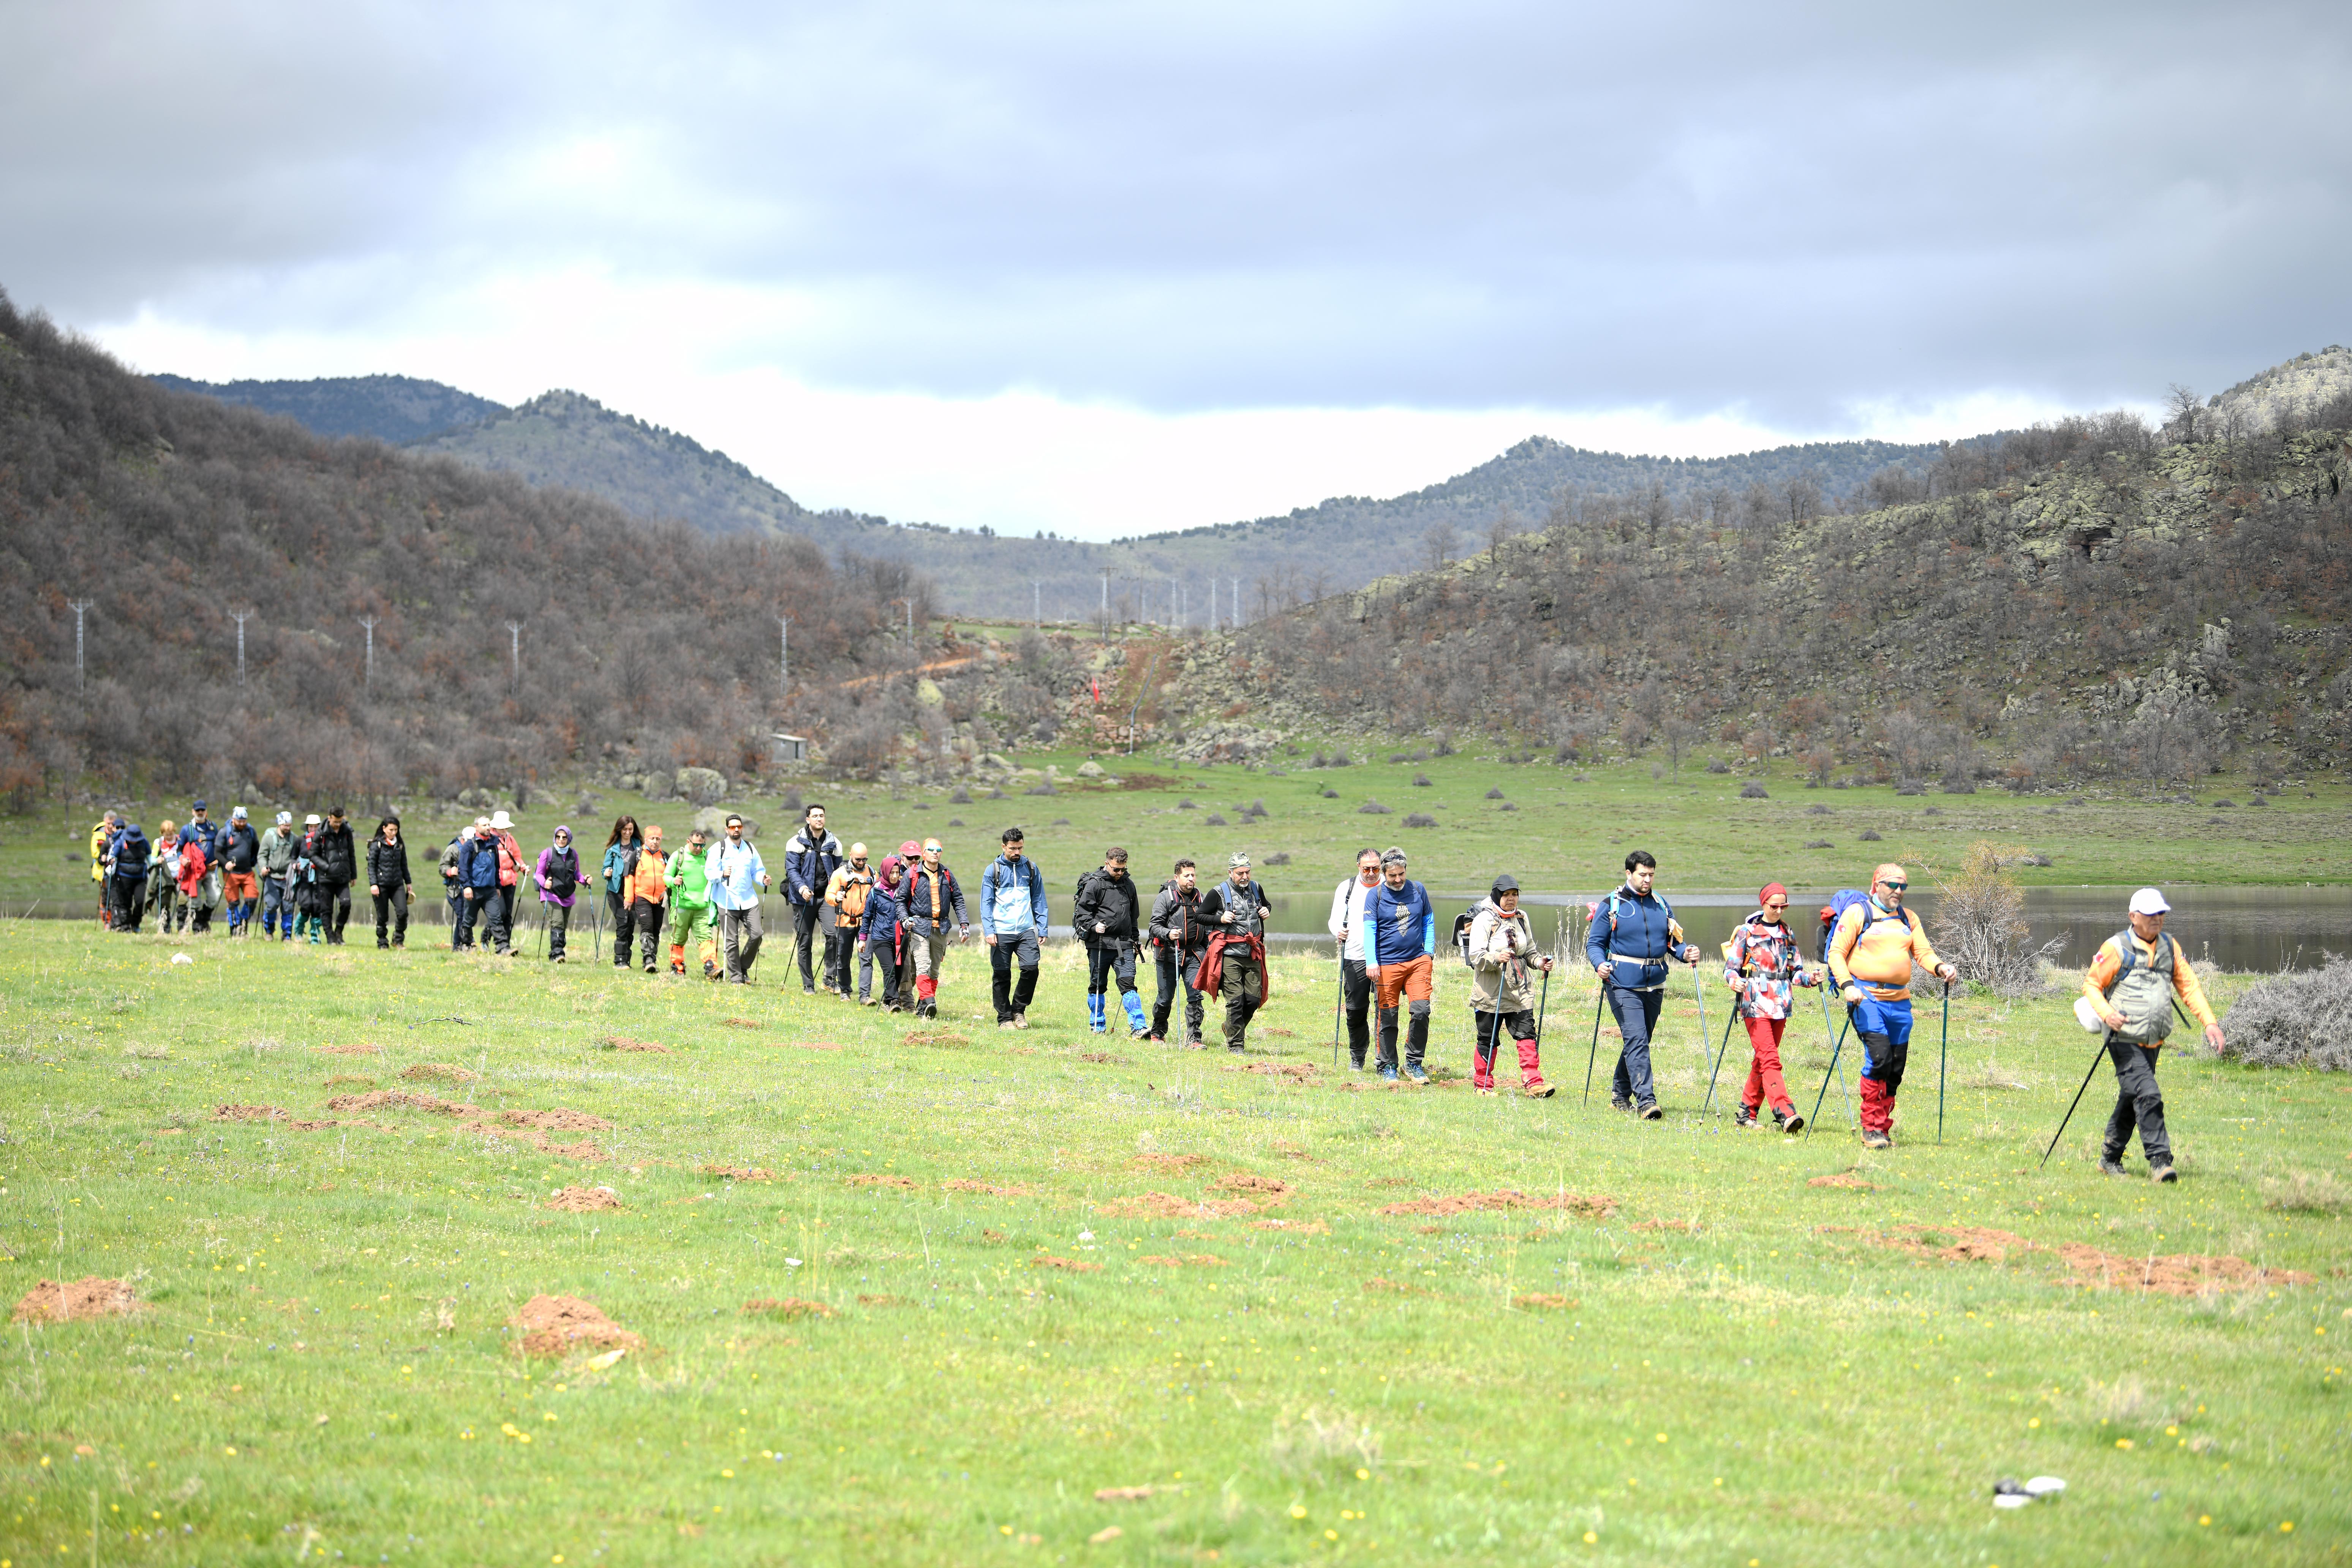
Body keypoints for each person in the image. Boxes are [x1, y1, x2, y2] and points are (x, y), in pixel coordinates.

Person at [2081, 888, 2225, 1184]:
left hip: (2154, 1039)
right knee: (2148, 1095)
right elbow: (2092, 986)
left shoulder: (2170, 947)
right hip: (2123, 1038)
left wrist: (2210, 1023)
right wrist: (2107, 1013)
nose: (2157, 919)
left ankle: (2109, 1158)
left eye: (2161, 913)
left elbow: (2189, 987)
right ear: (2133, 917)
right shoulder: (2116, 947)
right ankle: (2161, 1162)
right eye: (2150, 914)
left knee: (2133, 1096)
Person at [1826, 862, 1958, 1149]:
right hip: (1865, 996)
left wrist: (1941, 968)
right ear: (1877, 885)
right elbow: (1836, 953)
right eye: (1893, 886)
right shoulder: (1859, 913)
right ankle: (1870, 1128)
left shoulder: (1909, 918)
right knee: (1880, 1058)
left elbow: (1922, 952)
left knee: (1896, 1068)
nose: (1899, 891)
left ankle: (1883, 1129)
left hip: (1899, 1002)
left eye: (1903, 887)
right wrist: (1848, 987)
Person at [1586, 849, 1702, 1119]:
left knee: (1639, 1040)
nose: (1648, 880)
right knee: (1637, 1039)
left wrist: (1685, 953)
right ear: (1629, 874)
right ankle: (1647, 1102)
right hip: (1621, 984)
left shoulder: (1660, 904)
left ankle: (1619, 1094)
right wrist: (1599, 964)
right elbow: (1595, 944)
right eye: (1643, 875)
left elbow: (1673, 942)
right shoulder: (1612, 905)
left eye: (1651, 875)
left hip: (1655, 985)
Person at [1723, 883, 1823, 1132]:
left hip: (1781, 1004)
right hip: (1755, 1002)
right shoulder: (1748, 932)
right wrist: (1734, 981)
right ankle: (1785, 1112)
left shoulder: (1787, 933)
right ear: (1764, 904)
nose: (1779, 910)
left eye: (1783, 906)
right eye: (1774, 906)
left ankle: (1746, 1114)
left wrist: (1811, 979)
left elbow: (1795, 972)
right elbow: (1730, 968)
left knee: (1762, 1060)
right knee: (1770, 1060)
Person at [1467, 874, 1555, 1095]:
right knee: (1488, 1039)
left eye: (1515, 895)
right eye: (1506, 895)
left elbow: (1529, 952)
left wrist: (1540, 962)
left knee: (1527, 1034)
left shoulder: (1522, 918)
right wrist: (1497, 957)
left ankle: (1534, 1084)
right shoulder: (1484, 920)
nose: (1511, 899)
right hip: (1491, 993)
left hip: (1520, 991)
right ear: (1497, 895)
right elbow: (1476, 955)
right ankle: (1483, 1085)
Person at [1364, 847, 1438, 1082]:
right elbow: (1370, 929)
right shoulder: (1375, 896)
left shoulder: (1418, 890)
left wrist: (1428, 954)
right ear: (1384, 874)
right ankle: (1388, 1066)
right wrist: (1372, 961)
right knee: (1388, 1016)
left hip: (1418, 962)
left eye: (1401, 874)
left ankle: (1414, 1063)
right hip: (1386, 964)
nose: (1398, 880)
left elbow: (1428, 920)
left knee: (1421, 1011)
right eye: (1392, 875)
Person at [1195, 854, 1274, 1054]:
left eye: (1247, 872)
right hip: (1229, 954)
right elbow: (1199, 916)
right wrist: (1220, 918)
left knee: (1254, 1000)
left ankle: (1230, 1028)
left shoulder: (1257, 888)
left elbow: (1266, 905)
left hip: (1253, 953)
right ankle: (1236, 1046)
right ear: (1230, 872)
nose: (1245, 877)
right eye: (1240, 873)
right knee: (1236, 1000)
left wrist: (1267, 910)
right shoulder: (1218, 892)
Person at [1076, 847, 1151, 1037]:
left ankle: (1139, 1027)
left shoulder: (1129, 884)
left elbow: (1133, 917)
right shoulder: (1095, 884)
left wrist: (1136, 940)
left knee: (1128, 983)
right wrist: (1094, 925)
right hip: (1099, 944)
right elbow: (1082, 914)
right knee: (1098, 985)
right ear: (1107, 863)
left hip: (1124, 945)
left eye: (1123, 869)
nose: (1119, 873)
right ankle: (1098, 1026)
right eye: (1116, 869)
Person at [980, 827, 1048, 1029]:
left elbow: (1039, 899)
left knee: (1031, 968)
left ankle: (1018, 1010)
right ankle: (1004, 1019)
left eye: (1020, 848)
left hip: (1026, 929)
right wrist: (989, 930)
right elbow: (986, 902)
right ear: (1004, 847)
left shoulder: (1031, 868)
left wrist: (1042, 927)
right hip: (1001, 930)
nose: (1017, 852)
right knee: (1002, 975)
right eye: (1013, 849)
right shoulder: (993, 870)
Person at [902, 837, 971, 1021]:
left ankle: (924, 1007)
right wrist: (904, 919)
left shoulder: (947, 874)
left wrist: (964, 924)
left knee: (934, 970)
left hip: (941, 928)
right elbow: (900, 900)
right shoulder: (912, 874)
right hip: (919, 927)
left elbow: (959, 900)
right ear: (924, 853)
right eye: (931, 849)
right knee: (923, 966)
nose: (935, 852)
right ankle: (930, 1000)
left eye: (938, 849)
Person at [1326, 848, 1381, 1069]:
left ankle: (1383, 1060)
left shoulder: (1389, 884)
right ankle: (1357, 1059)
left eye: (1376, 868)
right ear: (1358, 866)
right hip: (1354, 957)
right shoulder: (1346, 887)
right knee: (1356, 1010)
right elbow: (1334, 920)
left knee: (1384, 1011)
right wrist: (1338, 931)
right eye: (1366, 868)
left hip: (1384, 959)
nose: (1371, 873)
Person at [783, 805, 846, 996]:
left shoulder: (835, 843)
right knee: (805, 941)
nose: (819, 819)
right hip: (802, 899)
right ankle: (808, 984)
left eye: (822, 816)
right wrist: (802, 888)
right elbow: (791, 871)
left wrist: (837, 892)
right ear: (808, 819)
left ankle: (829, 978)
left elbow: (839, 871)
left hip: (826, 898)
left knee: (834, 936)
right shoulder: (795, 842)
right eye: (815, 816)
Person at [1148, 858, 1207, 1046]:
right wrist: (1168, 933)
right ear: (1177, 877)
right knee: (1165, 999)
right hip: (1169, 955)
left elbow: (1208, 924)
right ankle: (1158, 1034)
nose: (1191, 879)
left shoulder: (1201, 898)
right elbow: (1153, 926)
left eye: (1193, 875)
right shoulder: (1165, 897)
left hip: (1195, 955)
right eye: (1187, 876)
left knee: (1196, 997)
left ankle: (1194, 1039)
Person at [708, 813, 770, 984]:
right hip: (726, 900)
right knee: (731, 941)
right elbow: (709, 873)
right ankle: (736, 978)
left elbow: (757, 870)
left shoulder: (750, 848)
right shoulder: (718, 848)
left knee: (757, 934)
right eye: (733, 827)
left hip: (748, 900)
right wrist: (722, 874)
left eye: (739, 827)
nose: (736, 829)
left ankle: (743, 967)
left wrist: (762, 879)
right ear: (727, 829)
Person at [859, 851, 910, 1010]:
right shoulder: (876, 891)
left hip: (901, 937)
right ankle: (895, 1002)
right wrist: (862, 938)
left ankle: (888, 1001)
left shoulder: (903, 889)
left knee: (898, 970)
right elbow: (867, 916)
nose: (895, 876)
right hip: (881, 937)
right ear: (885, 872)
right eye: (892, 873)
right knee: (889, 969)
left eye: (897, 873)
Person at [664, 825, 717, 977]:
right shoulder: (678, 856)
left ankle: (711, 968)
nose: (699, 848)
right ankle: (677, 968)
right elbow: (666, 876)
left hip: (702, 906)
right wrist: (674, 881)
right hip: (681, 905)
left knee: (706, 937)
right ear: (688, 842)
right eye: (696, 845)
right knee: (679, 937)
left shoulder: (708, 857)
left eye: (702, 845)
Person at [824, 844, 875, 996]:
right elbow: (829, 895)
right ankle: (845, 990)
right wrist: (836, 898)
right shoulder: (840, 873)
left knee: (866, 959)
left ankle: (865, 994)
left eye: (864, 859)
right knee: (843, 959)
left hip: (865, 922)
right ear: (851, 855)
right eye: (858, 859)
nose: (861, 863)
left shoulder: (872, 872)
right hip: (845, 921)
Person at [621, 824, 669, 973]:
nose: (655, 842)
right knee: (647, 927)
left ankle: (651, 958)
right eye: (652, 839)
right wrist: (629, 898)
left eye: (658, 839)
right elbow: (629, 877)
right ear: (646, 839)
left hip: (660, 899)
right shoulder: (636, 855)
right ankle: (648, 959)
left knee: (656, 929)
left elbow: (670, 877)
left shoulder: (665, 857)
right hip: (642, 897)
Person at [535, 824, 586, 963]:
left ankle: (556, 953)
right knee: (557, 922)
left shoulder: (573, 854)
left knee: (562, 926)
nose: (561, 840)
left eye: (564, 837)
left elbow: (577, 874)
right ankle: (557, 954)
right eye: (558, 837)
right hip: (550, 895)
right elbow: (538, 874)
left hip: (568, 896)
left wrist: (584, 880)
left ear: (569, 838)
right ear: (555, 837)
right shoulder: (547, 853)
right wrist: (545, 883)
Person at [454, 813, 502, 952]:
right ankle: (467, 945)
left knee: (496, 919)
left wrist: (498, 886)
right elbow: (462, 868)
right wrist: (467, 886)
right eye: (485, 825)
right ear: (477, 827)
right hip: (474, 890)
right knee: (469, 920)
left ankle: (502, 948)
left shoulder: (494, 844)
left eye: (489, 825)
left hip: (491, 890)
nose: (488, 828)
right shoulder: (470, 846)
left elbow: (496, 867)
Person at [362, 816, 411, 949]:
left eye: (396, 830)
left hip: (397, 884)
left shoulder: (400, 845)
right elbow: (371, 866)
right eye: (391, 830)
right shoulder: (376, 845)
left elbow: (404, 864)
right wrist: (374, 884)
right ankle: (382, 942)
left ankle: (398, 939)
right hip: (380, 885)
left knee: (403, 912)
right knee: (383, 916)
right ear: (384, 829)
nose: (393, 833)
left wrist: (409, 882)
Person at [310, 808, 357, 945]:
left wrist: (354, 875)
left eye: (340, 821)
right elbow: (312, 854)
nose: (338, 824)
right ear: (329, 818)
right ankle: (330, 937)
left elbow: (352, 854)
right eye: (336, 822)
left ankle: (339, 932)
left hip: (343, 876)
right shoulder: (321, 833)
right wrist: (326, 867)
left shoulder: (347, 832)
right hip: (326, 878)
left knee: (346, 904)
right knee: (327, 909)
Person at [177, 802, 223, 933]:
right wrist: (183, 859)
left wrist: (218, 861)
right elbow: (179, 849)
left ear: (206, 811)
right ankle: (197, 928)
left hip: (210, 870)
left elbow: (219, 847)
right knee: (195, 901)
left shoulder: (213, 827)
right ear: (193, 812)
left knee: (215, 897)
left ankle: (204, 918)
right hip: (195, 872)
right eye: (198, 811)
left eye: (203, 810)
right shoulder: (187, 829)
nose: (200, 812)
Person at [601, 816, 644, 953]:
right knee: (623, 922)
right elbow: (604, 870)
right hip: (616, 890)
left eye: (630, 829)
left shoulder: (639, 846)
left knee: (631, 923)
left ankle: (626, 955)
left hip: (634, 890)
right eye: (625, 829)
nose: (628, 832)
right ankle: (620, 959)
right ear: (619, 830)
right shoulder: (613, 849)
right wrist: (607, 873)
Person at [217, 807, 260, 936]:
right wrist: (226, 863)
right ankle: (235, 929)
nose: (242, 824)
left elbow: (257, 849)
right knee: (233, 902)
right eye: (239, 821)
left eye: (244, 821)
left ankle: (243, 922)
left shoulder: (251, 831)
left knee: (252, 899)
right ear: (233, 819)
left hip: (247, 872)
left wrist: (254, 862)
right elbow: (217, 852)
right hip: (230, 873)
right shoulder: (225, 832)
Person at [440, 821, 482, 948]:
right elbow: (442, 866)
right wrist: (450, 871)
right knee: (463, 914)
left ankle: (457, 945)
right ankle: (467, 943)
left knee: (465, 916)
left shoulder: (477, 847)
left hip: (470, 887)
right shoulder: (453, 849)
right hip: (455, 889)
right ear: (464, 839)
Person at [259, 811, 299, 940]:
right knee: (271, 905)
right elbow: (262, 855)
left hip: (288, 878)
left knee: (288, 907)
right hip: (272, 877)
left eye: (290, 825)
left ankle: (287, 935)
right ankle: (269, 931)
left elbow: (297, 856)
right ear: (279, 824)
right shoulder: (269, 838)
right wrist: (263, 867)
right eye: (285, 825)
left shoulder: (294, 839)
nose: (288, 828)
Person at [106, 820, 150, 932]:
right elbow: (113, 855)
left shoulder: (144, 842)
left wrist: (156, 861)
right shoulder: (121, 842)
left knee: (140, 902)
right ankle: (126, 927)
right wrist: (111, 860)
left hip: (141, 877)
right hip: (124, 877)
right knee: (125, 903)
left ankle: (135, 924)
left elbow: (150, 857)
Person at [290, 815, 327, 945]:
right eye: (311, 827)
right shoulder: (300, 840)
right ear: (307, 827)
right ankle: (299, 931)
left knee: (317, 907)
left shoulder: (323, 841)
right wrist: (296, 864)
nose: (314, 829)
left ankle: (315, 935)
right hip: (304, 878)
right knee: (306, 906)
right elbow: (293, 857)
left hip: (319, 877)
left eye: (316, 827)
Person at [90, 809, 119, 926]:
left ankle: (118, 921)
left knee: (116, 896)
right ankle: (107, 922)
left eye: (113, 824)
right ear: (105, 822)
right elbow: (94, 852)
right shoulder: (98, 834)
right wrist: (103, 857)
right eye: (108, 823)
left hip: (117, 870)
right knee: (105, 897)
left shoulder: (120, 832)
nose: (111, 826)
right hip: (102, 871)